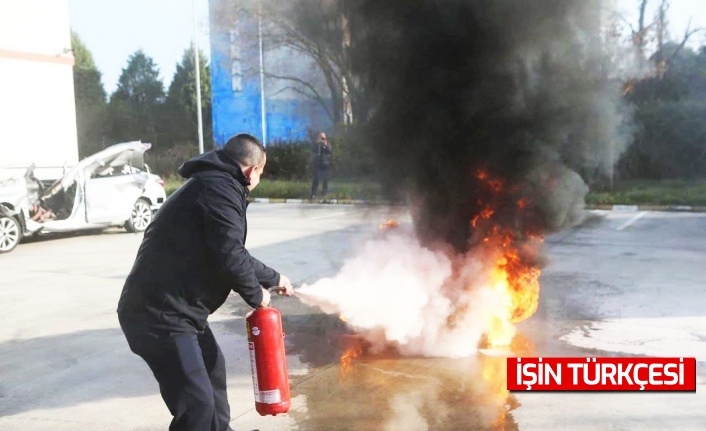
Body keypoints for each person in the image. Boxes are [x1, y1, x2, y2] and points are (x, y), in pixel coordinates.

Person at [117, 133, 294, 431]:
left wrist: (274, 278)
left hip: (182, 312)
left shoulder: (215, 185)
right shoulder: (219, 190)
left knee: (213, 376)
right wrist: (256, 295)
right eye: (261, 174)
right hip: (159, 315)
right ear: (252, 171)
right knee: (196, 403)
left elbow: (229, 249)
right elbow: (229, 253)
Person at [310, 131, 332, 199]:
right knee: (316, 179)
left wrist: (325, 145)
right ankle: (314, 194)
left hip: (325, 164)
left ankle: (324, 194)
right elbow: (313, 150)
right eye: (321, 137)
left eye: (323, 138)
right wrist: (317, 143)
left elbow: (330, 151)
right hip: (318, 164)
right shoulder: (317, 144)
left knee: (325, 180)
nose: (322, 139)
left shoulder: (327, 144)